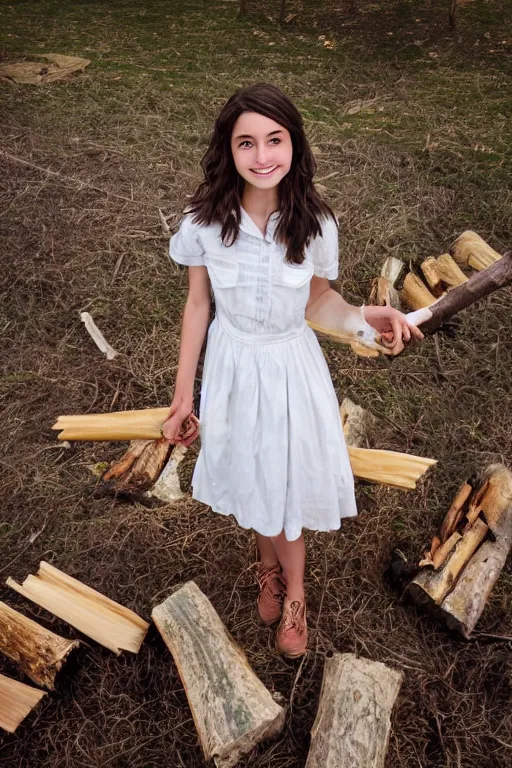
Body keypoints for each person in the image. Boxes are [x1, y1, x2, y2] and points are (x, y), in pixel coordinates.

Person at [161, 83, 423, 658]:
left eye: (274, 140)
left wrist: (363, 319)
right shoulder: (204, 222)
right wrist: (186, 396)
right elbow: (199, 305)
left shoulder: (316, 223)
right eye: (246, 143)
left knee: (283, 481)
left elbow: (317, 303)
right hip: (233, 366)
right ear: (227, 151)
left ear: (294, 145)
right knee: (255, 473)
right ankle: (266, 565)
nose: (262, 156)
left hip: (288, 369)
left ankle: (296, 591)